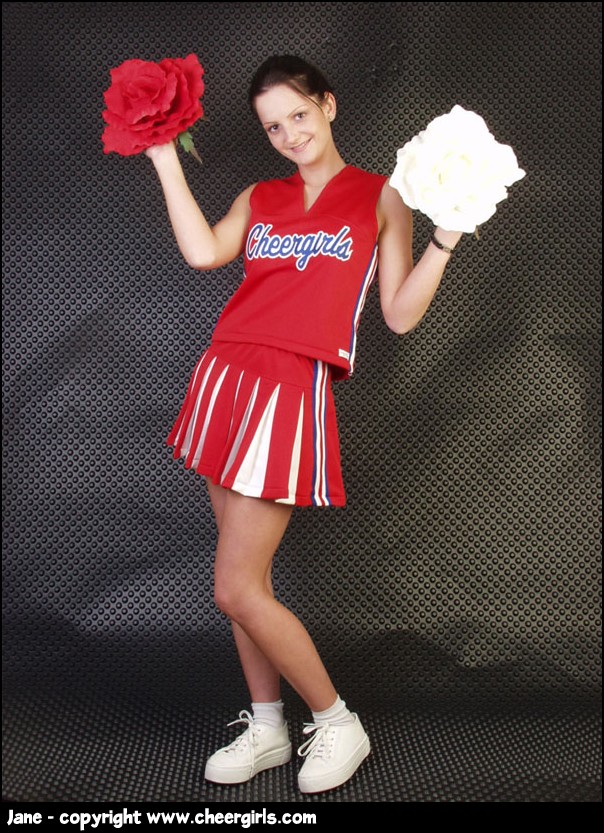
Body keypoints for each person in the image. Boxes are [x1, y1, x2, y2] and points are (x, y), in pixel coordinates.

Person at [145, 55, 462, 794]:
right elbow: (203, 252)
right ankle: (267, 726)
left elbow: (398, 313)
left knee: (235, 587)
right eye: (273, 126)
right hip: (226, 375)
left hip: (290, 388)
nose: (290, 134)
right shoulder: (261, 196)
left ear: (328, 104)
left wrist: (445, 239)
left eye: (299, 114)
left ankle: (337, 720)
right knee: (241, 576)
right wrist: (163, 158)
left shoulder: (381, 196)